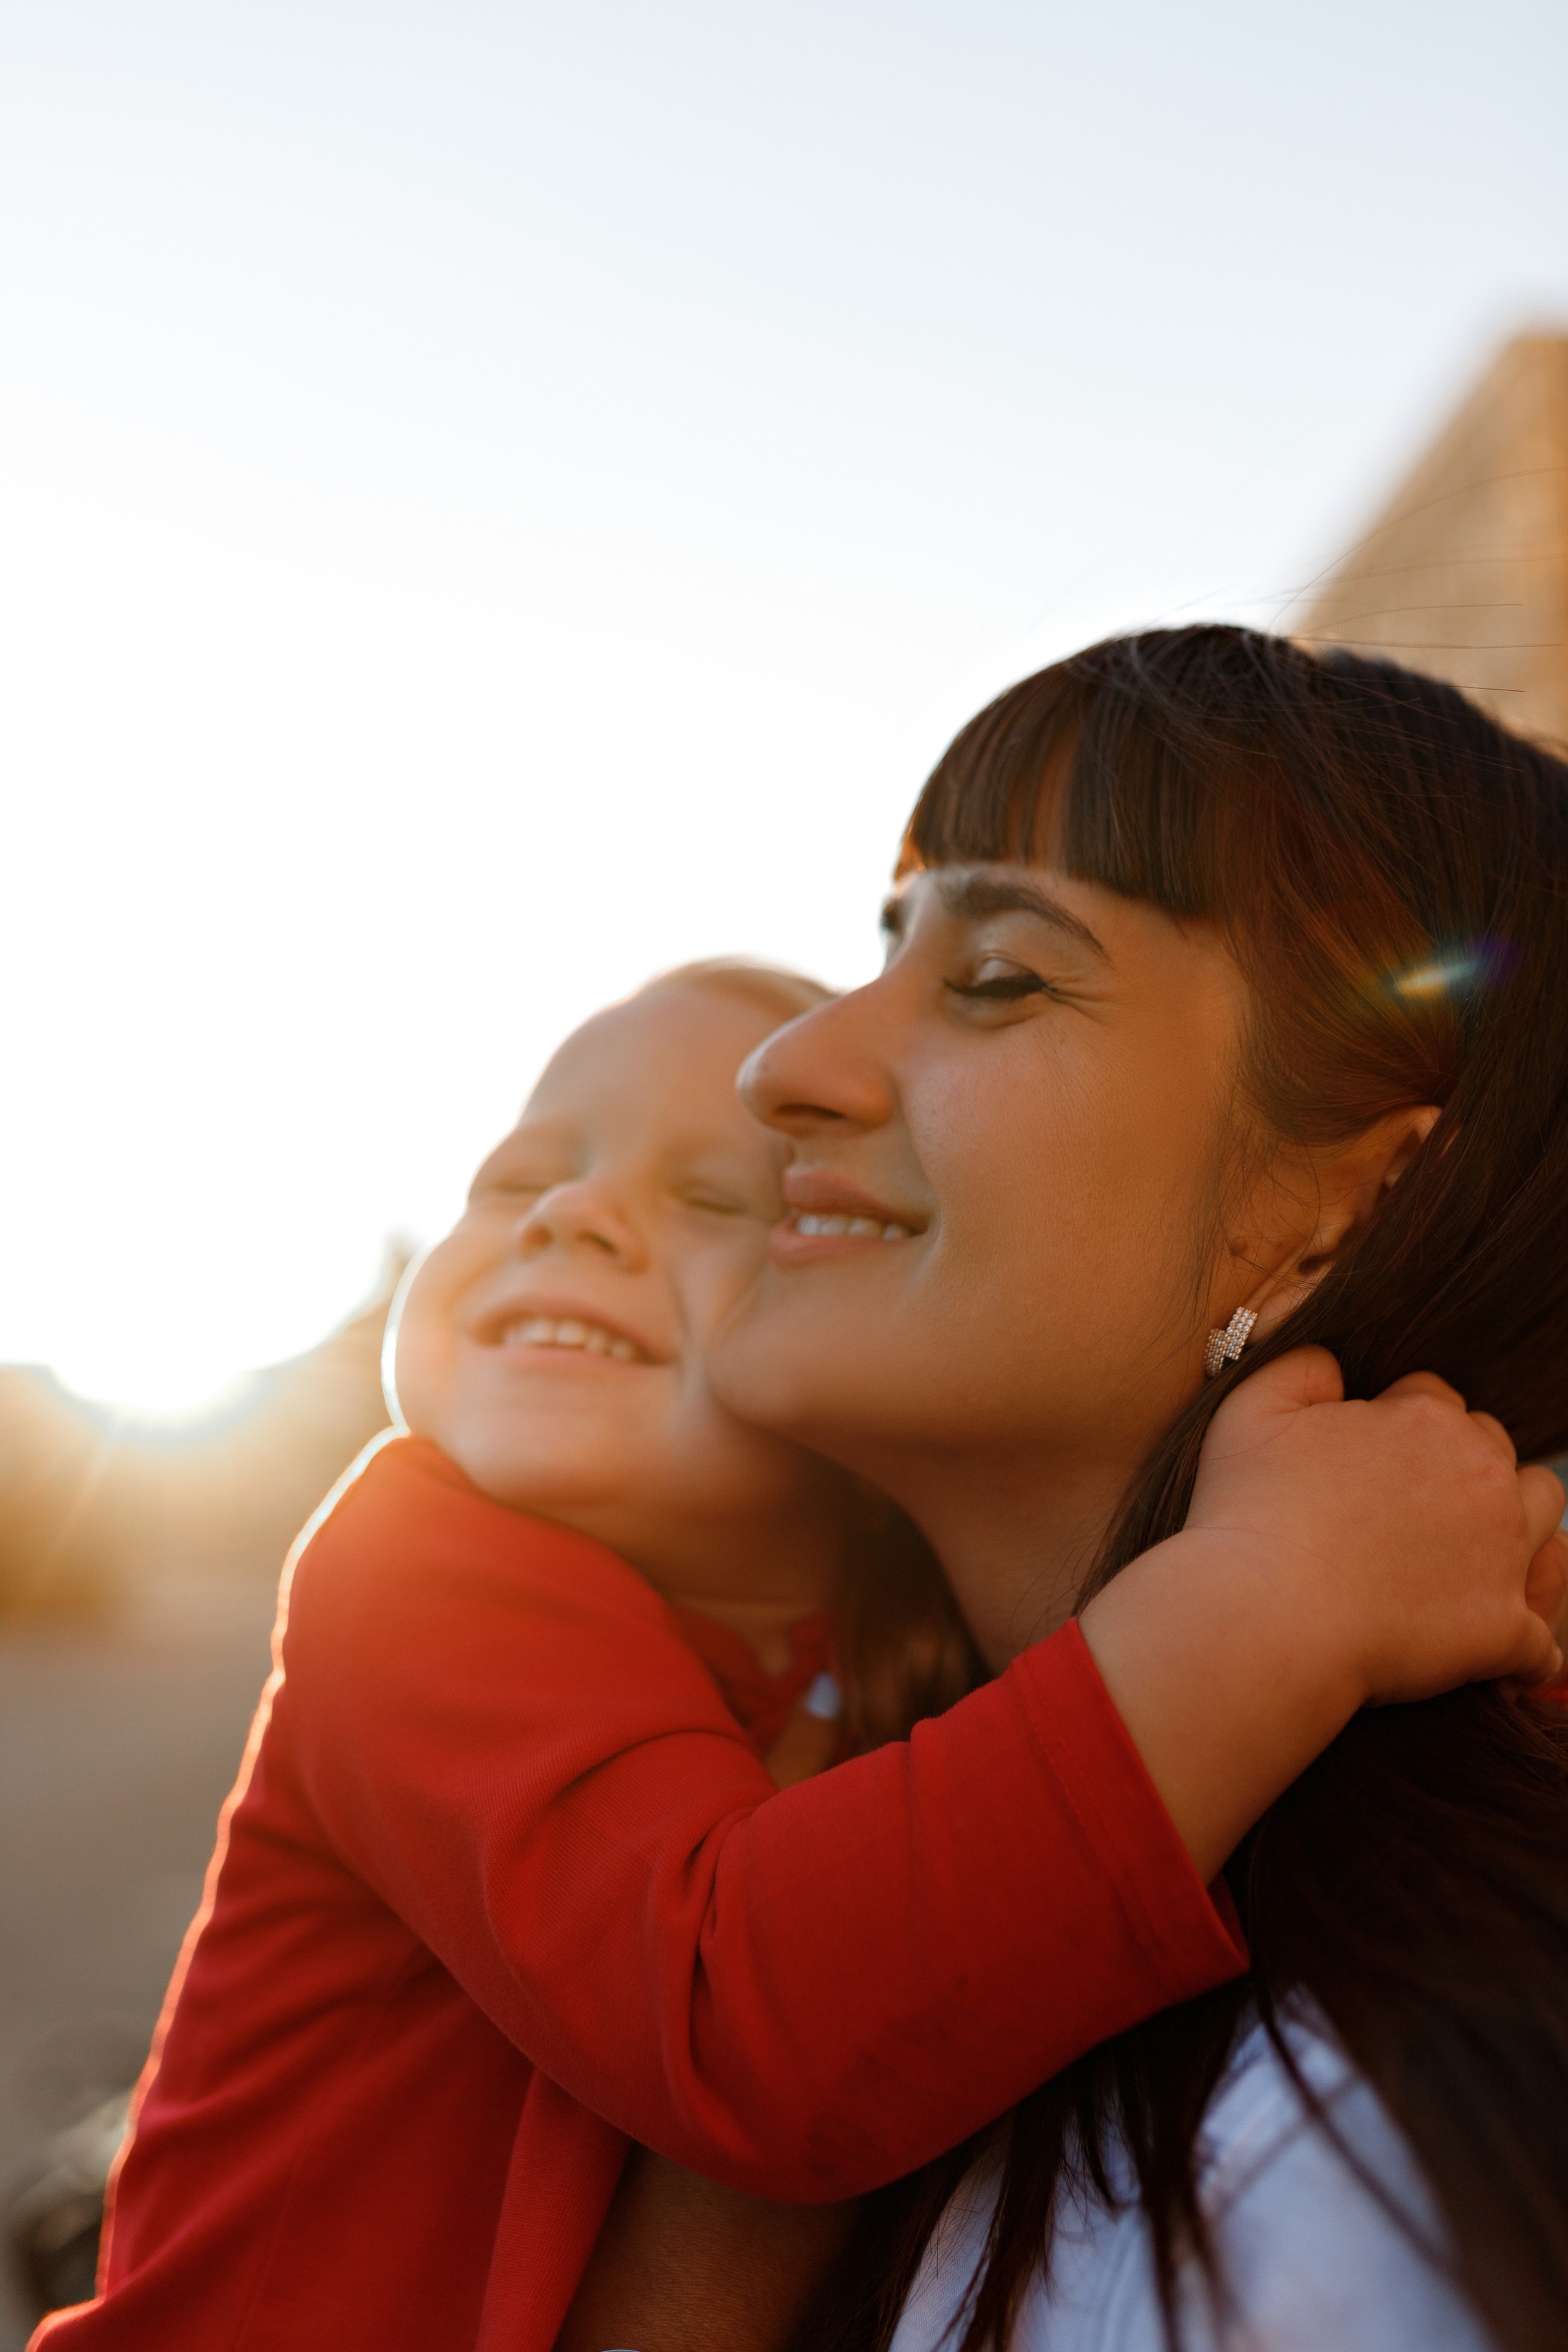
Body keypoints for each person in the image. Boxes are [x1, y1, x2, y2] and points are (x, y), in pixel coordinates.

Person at [32, 953, 1561, 2352]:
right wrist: (1278, 1597)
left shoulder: (894, 1623)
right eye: (514, 1182)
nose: (571, 1217)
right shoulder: (417, 1554)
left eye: (709, 1202)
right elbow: (741, 2013)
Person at [637, 624, 1568, 2352]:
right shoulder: (771, 1776)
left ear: (1349, 1209)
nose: (789, 1065)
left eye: (1000, 979)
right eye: (886, 948)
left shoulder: (1335, 2178)